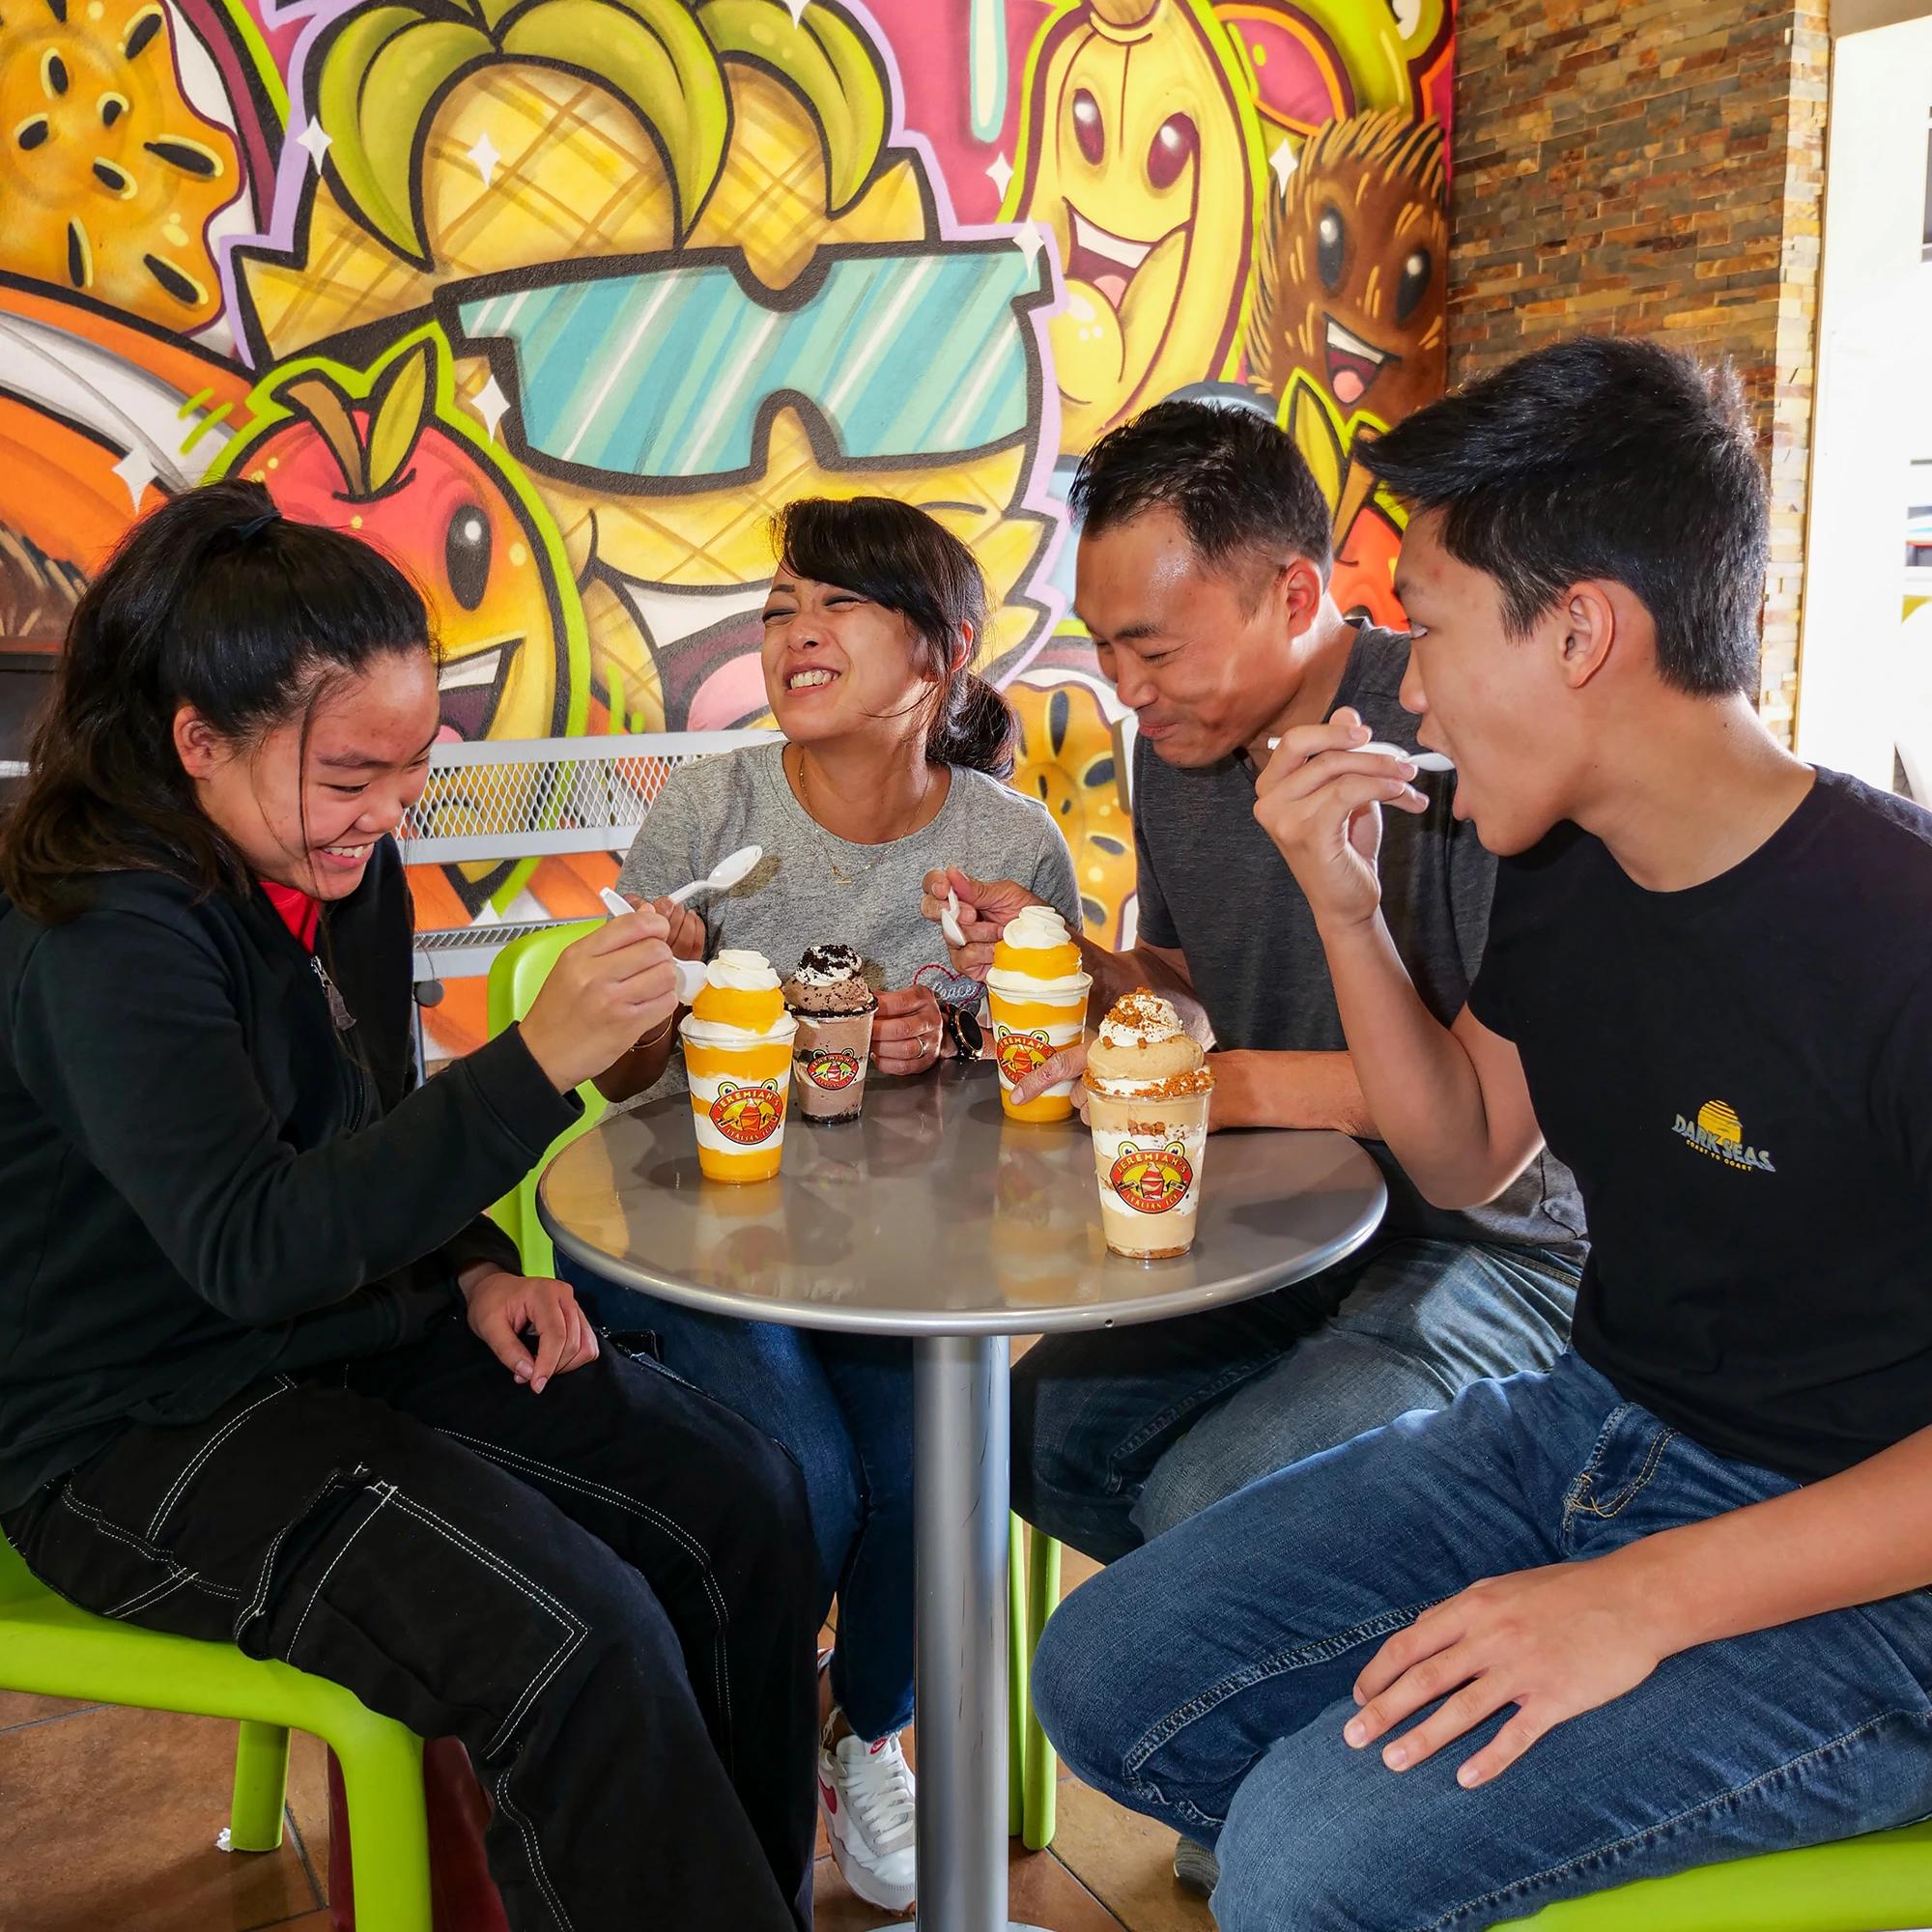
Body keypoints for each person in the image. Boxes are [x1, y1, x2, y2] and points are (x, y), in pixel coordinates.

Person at [1030, 336, 1932, 1930]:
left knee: (1300, 1862)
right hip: (1592, 1421)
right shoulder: (1569, 865)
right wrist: (1344, 906)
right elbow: (1463, 1155)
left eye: (1433, 628)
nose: (1413, 686)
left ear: (1581, 631)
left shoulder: (1899, 933)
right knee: (1105, 1680)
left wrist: (1636, 1600)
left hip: (1875, 1574)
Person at [0, 480, 819, 1932]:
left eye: (410, 770)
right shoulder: (100, 927)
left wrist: (473, 1264)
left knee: (742, 1500)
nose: (386, 814)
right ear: (197, 740)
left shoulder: (331, 870)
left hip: (341, 1334)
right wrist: (538, 1062)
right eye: (349, 775)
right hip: (131, 1427)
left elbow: (364, 1114)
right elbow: (254, 1244)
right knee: (573, 1640)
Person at [924, 400, 1582, 1599]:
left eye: (1154, 648)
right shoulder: (1177, 749)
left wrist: (1206, 1088)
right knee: (1026, 1439)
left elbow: (1485, 1116)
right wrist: (1079, 967)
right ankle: (1285, 1631)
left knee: (1207, 1507)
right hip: (1299, 1209)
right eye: (1104, 648)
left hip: (1496, 1247)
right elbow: (1190, 984)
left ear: (1292, 594)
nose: (1125, 688)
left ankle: (1315, 1639)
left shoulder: (1449, 733)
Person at [562, 494, 1079, 1914]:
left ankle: (867, 1728)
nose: (795, 630)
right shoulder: (713, 811)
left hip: (905, 1253)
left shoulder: (1009, 842)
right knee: (807, 1478)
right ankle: (760, 1726)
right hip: (698, 1239)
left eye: (839, 602)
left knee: (934, 1472)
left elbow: (1044, 1066)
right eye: (782, 605)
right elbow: (621, 1081)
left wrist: (956, 1028)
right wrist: (656, 977)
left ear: (942, 652)